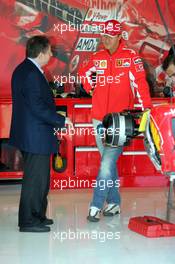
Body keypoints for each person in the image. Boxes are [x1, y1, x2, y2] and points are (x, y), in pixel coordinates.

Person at [78, 19, 152, 222]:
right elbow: (83, 73)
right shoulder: (97, 57)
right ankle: (114, 203)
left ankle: (95, 206)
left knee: (106, 164)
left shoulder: (130, 57)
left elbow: (140, 84)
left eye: (110, 36)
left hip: (120, 123)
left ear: (119, 37)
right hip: (98, 120)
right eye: (104, 36)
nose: (106, 39)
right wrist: (91, 88)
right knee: (108, 164)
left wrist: (147, 110)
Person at [9, 35, 71, 232]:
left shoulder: (27, 70)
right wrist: (62, 120)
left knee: (40, 179)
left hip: (34, 134)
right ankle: (28, 221)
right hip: (35, 135)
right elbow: (37, 107)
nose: (52, 54)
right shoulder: (31, 74)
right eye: (50, 51)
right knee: (34, 180)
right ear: (42, 52)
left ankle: (38, 215)